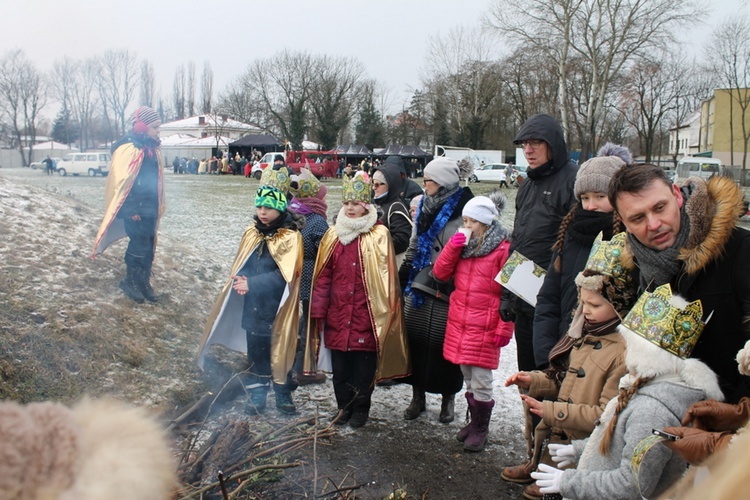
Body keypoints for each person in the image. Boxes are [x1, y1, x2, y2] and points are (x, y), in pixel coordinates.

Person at [530, 286, 724, 499]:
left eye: (629, 346)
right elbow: (624, 443)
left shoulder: (651, 412)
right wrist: (581, 449)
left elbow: (630, 485)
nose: (625, 353)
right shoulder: (649, 392)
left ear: (645, 356)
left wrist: (569, 482)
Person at [502, 234, 638, 499]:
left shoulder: (622, 354)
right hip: (558, 441)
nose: (584, 311)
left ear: (619, 304)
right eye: (582, 302)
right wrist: (535, 381)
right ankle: (538, 464)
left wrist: (550, 410)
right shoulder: (586, 335)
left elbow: (604, 415)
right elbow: (567, 380)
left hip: (580, 454)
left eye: (595, 304)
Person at [608, 163, 750, 403]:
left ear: (676, 194)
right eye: (638, 217)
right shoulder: (636, 269)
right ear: (623, 222)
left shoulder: (740, 249)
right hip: (669, 420)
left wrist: (734, 415)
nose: (653, 224)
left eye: (660, 207)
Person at [306, 171, 410, 428]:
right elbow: (323, 276)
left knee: (363, 369)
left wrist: (383, 313)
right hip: (338, 315)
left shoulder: (379, 235)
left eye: (356, 204)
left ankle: (361, 408)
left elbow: (385, 280)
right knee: (340, 370)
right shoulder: (333, 235)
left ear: (366, 206)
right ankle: (344, 407)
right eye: (346, 203)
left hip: (366, 315)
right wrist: (319, 308)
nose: (350, 209)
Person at [197, 167, 304, 415]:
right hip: (253, 309)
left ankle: (283, 394)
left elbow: (285, 277)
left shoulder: (290, 237)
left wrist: (253, 284)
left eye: (268, 207)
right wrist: (242, 278)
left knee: (279, 352)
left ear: (281, 207)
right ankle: (257, 395)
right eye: (259, 207)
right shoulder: (252, 232)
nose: (262, 212)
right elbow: (243, 263)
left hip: (277, 309)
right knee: (256, 354)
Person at [533, 144, 631, 369]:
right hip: (561, 352)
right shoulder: (570, 234)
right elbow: (549, 298)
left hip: (606, 364)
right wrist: (546, 355)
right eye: (585, 197)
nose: (591, 205)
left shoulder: (629, 241)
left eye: (600, 196)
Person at [432, 194, 513, 451]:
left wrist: (505, 326)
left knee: (481, 378)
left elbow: (511, 292)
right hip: (461, 321)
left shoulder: (503, 249)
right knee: (467, 374)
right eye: (464, 220)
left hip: (486, 324)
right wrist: (453, 247)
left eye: (470, 222)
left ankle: (481, 427)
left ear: (485, 223)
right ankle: (473, 420)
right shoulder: (464, 248)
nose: (465, 226)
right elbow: (440, 273)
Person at [399, 157, 474, 424]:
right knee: (416, 342)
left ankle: (448, 398)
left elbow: (471, 250)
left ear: (441, 182)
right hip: (421, 285)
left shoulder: (466, 208)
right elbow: (415, 243)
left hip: (450, 288)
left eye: (428, 180)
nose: (424, 184)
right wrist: (403, 277)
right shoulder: (424, 207)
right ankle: (417, 396)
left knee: (446, 347)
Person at [501, 114, 578, 373]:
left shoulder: (572, 181)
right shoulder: (527, 185)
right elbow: (518, 241)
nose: (528, 150)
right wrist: (507, 294)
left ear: (553, 144)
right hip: (523, 296)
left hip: (554, 301)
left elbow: (575, 245)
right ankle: (530, 415)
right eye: (524, 144)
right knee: (528, 376)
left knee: (551, 375)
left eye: (535, 143)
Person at [91, 105, 164, 304]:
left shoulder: (151, 148)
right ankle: (130, 279)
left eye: (159, 127)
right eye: (155, 127)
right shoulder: (129, 148)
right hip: (135, 208)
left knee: (148, 244)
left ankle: (143, 280)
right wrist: (131, 209)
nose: (158, 131)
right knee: (138, 243)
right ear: (141, 126)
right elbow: (121, 182)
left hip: (149, 206)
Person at [287, 168, 330, 386]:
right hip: (311, 278)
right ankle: (305, 368)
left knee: (294, 320)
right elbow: (325, 251)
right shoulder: (317, 220)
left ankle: (288, 362)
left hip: (290, 276)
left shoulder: (291, 212)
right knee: (310, 323)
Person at [372, 158, 414, 266]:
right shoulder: (381, 203)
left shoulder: (396, 207)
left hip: (391, 265)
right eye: (373, 183)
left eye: (378, 185)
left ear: (390, 185)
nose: (373, 188)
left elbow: (403, 240)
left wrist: (374, 246)